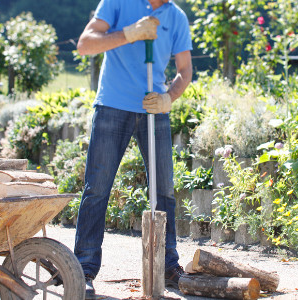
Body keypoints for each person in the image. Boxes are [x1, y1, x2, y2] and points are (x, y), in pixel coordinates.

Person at [74, 0, 193, 298]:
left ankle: (168, 265)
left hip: (154, 109)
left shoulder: (176, 17)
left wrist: (169, 97)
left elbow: (185, 70)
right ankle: (83, 269)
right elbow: (85, 45)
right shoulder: (117, 2)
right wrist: (129, 33)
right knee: (97, 188)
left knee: (164, 191)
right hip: (112, 105)